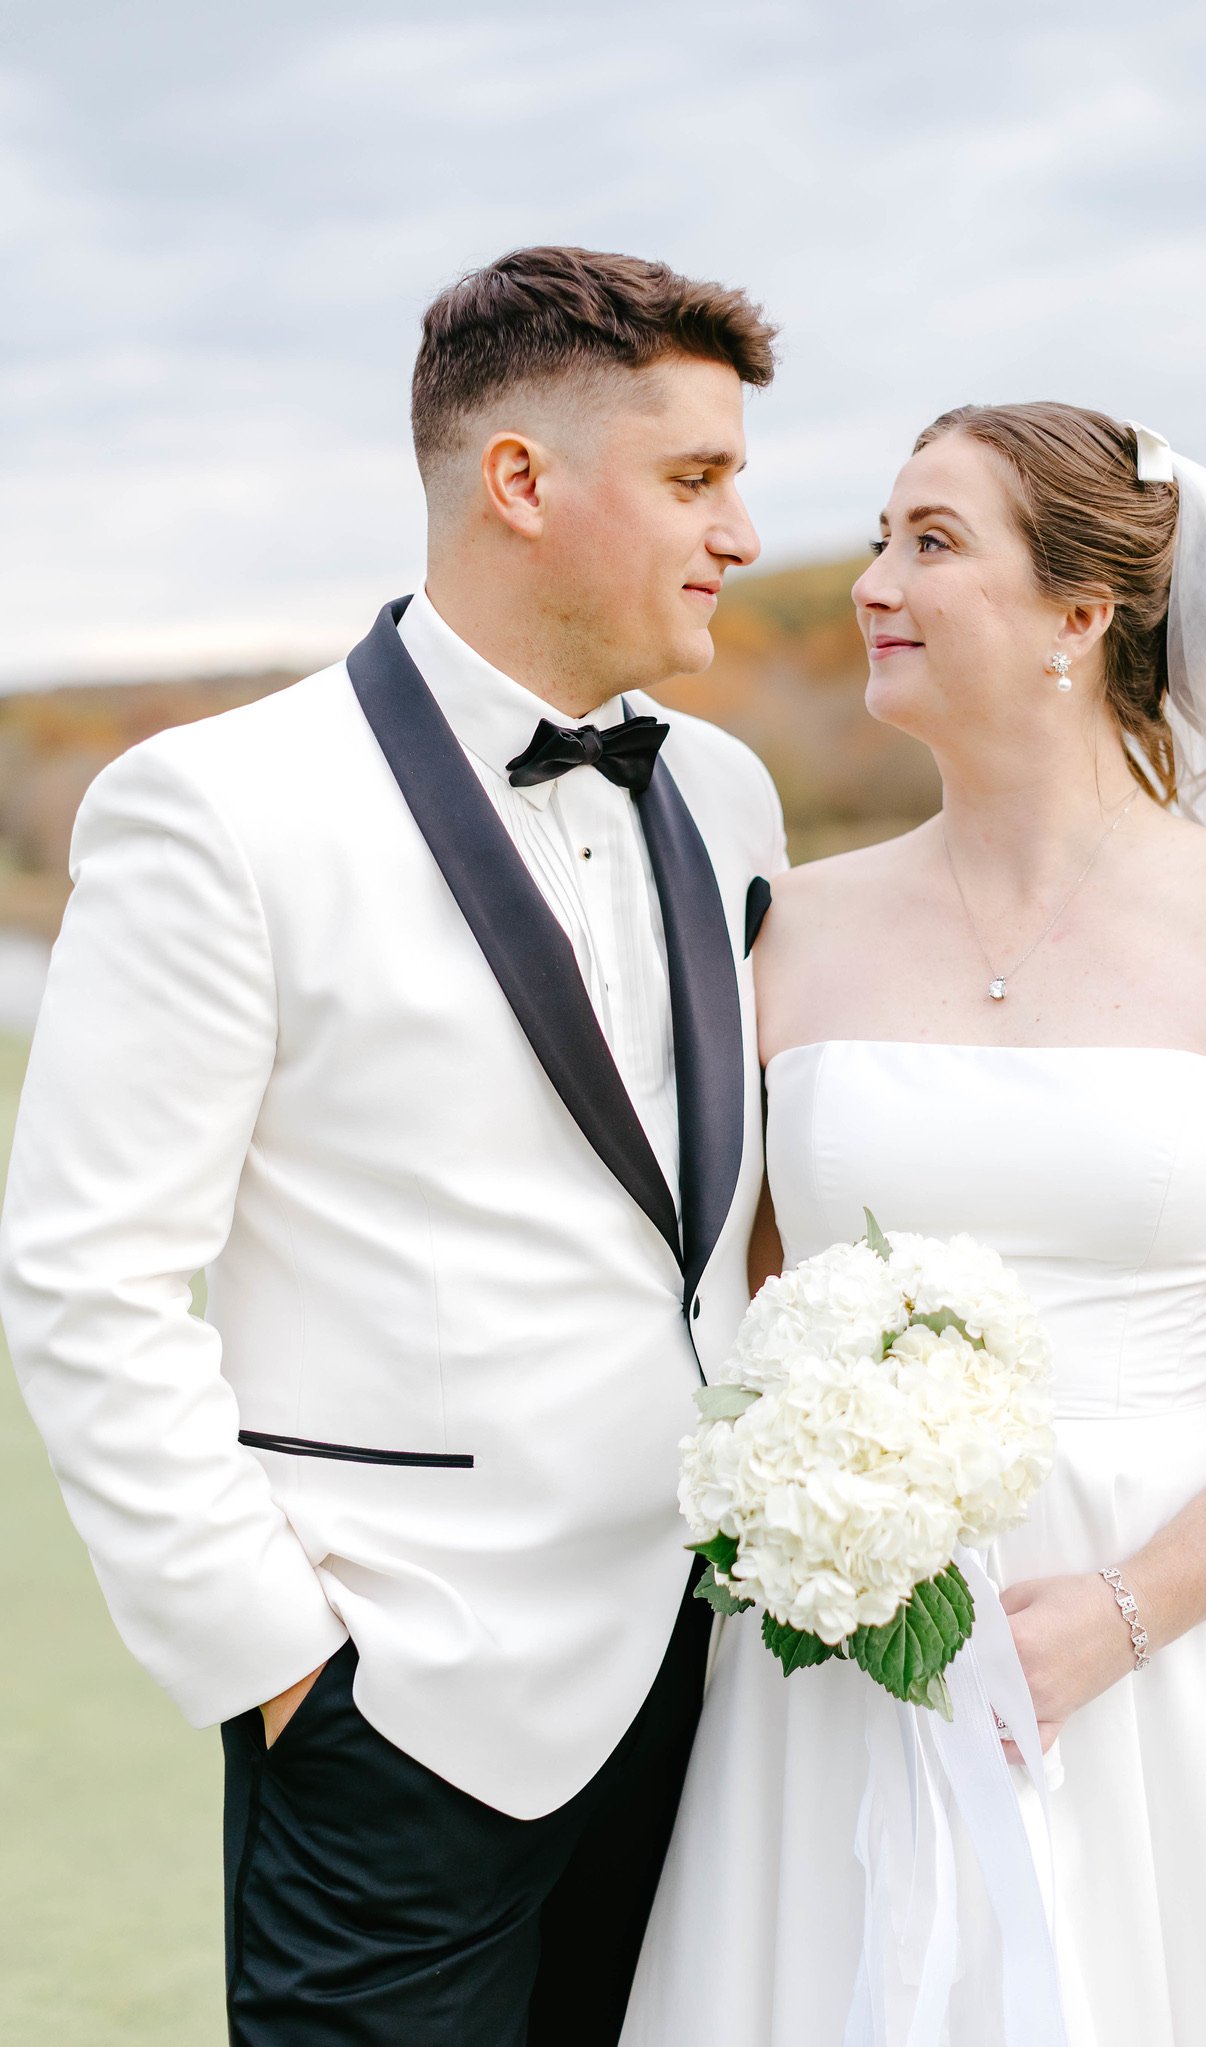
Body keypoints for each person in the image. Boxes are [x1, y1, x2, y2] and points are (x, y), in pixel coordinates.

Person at [0, 246, 788, 2045]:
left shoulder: (731, 796)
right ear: (519, 481)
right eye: (694, 478)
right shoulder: (220, 808)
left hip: (714, 1698)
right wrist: (273, 1661)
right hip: (398, 1706)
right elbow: (88, 1272)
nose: (741, 530)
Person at [622, 404, 1206, 2047]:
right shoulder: (789, 930)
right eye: (882, 536)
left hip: (1184, 1636)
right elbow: (723, 1292)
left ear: (1082, 615)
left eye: (932, 542)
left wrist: (1125, 1612)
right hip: (851, 1632)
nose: (872, 580)